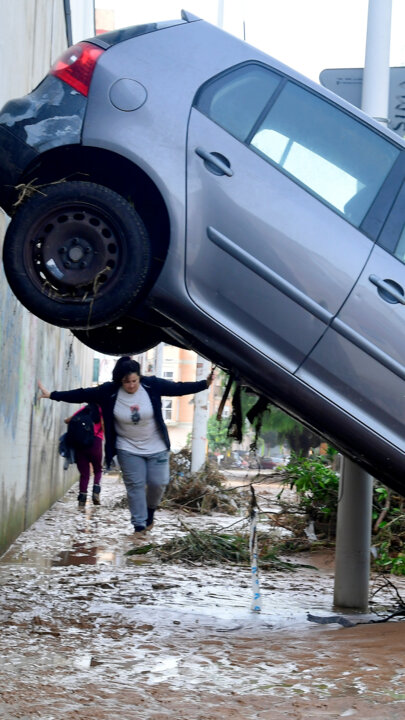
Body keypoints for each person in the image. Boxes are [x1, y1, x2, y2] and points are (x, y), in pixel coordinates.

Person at [38, 356, 214, 534]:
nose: (131, 385)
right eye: (126, 382)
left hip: (157, 446)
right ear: (119, 380)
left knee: (158, 483)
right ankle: (139, 527)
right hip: (127, 447)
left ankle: (150, 512)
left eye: (134, 381)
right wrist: (53, 395)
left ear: (140, 377)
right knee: (135, 485)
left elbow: (178, 388)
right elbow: (83, 393)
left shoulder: (151, 385)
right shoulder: (109, 391)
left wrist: (204, 384)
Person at [64, 403, 104, 508]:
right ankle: (96, 490)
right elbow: (105, 427)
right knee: (98, 469)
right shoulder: (103, 410)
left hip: (80, 444)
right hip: (96, 443)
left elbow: (68, 421)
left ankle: (82, 499)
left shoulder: (84, 409)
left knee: (84, 474)